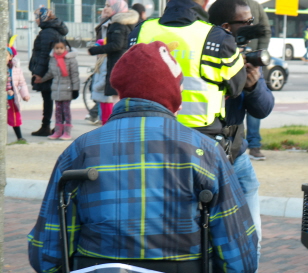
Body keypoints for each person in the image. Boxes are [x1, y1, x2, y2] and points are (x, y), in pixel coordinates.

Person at [29, 42, 257, 273]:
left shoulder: (79, 151)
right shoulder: (203, 152)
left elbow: (46, 259)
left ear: (121, 90)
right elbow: (239, 266)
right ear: (173, 93)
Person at [209, 0, 276, 273]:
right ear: (224, 27)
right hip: (205, 158)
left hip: (239, 158)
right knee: (200, 237)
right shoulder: (204, 55)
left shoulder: (245, 57)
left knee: (253, 236)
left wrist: (252, 85)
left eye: (251, 21)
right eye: (243, 23)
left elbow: (264, 109)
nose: (249, 27)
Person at [129, 0, 247, 147]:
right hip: (201, 136)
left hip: (146, 131)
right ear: (204, 3)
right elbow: (236, 87)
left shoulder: (140, 31)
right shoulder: (217, 38)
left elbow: (124, 79)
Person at [88, 0, 139, 103]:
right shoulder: (127, 22)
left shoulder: (118, 24)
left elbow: (116, 45)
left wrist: (95, 50)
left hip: (117, 64)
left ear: (116, 8)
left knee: (117, 99)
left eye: (108, 6)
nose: (105, 8)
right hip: (124, 63)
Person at [29, 6, 68, 137]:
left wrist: (39, 74)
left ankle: (48, 127)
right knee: (54, 99)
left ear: (43, 17)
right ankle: (57, 127)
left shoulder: (47, 32)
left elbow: (45, 54)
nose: (35, 20)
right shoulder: (53, 29)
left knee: (49, 99)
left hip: (48, 72)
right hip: (54, 70)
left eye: (37, 17)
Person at [243, 0, 272, 161]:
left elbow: (265, 30)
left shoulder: (255, 6)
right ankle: (246, 144)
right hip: (233, 57)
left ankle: (254, 145)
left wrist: (258, 54)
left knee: (254, 100)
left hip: (251, 60)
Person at [35, 39, 79, 140]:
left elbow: (75, 75)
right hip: (56, 89)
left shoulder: (70, 59)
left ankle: (67, 132)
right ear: (53, 49)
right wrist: (41, 79)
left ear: (65, 48)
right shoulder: (53, 59)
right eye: (57, 48)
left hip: (67, 89)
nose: (59, 50)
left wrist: (75, 89)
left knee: (66, 111)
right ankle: (58, 131)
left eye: (61, 48)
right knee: (58, 111)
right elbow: (51, 73)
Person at [6, 44, 30, 143]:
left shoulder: (16, 70)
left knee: (15, 118)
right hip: (3, 98)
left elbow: (21, 83)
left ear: (11, 56)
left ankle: (19, 137)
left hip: (11, 98)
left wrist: (25, 95)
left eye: (5, 55)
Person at [91, 54, 114, 125]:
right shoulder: (102, 60)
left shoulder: (105, 61)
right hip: (102, 94)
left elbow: (104, 78)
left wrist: (96, 87)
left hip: (103, 94)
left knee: (106, 118)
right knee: (104, 118)